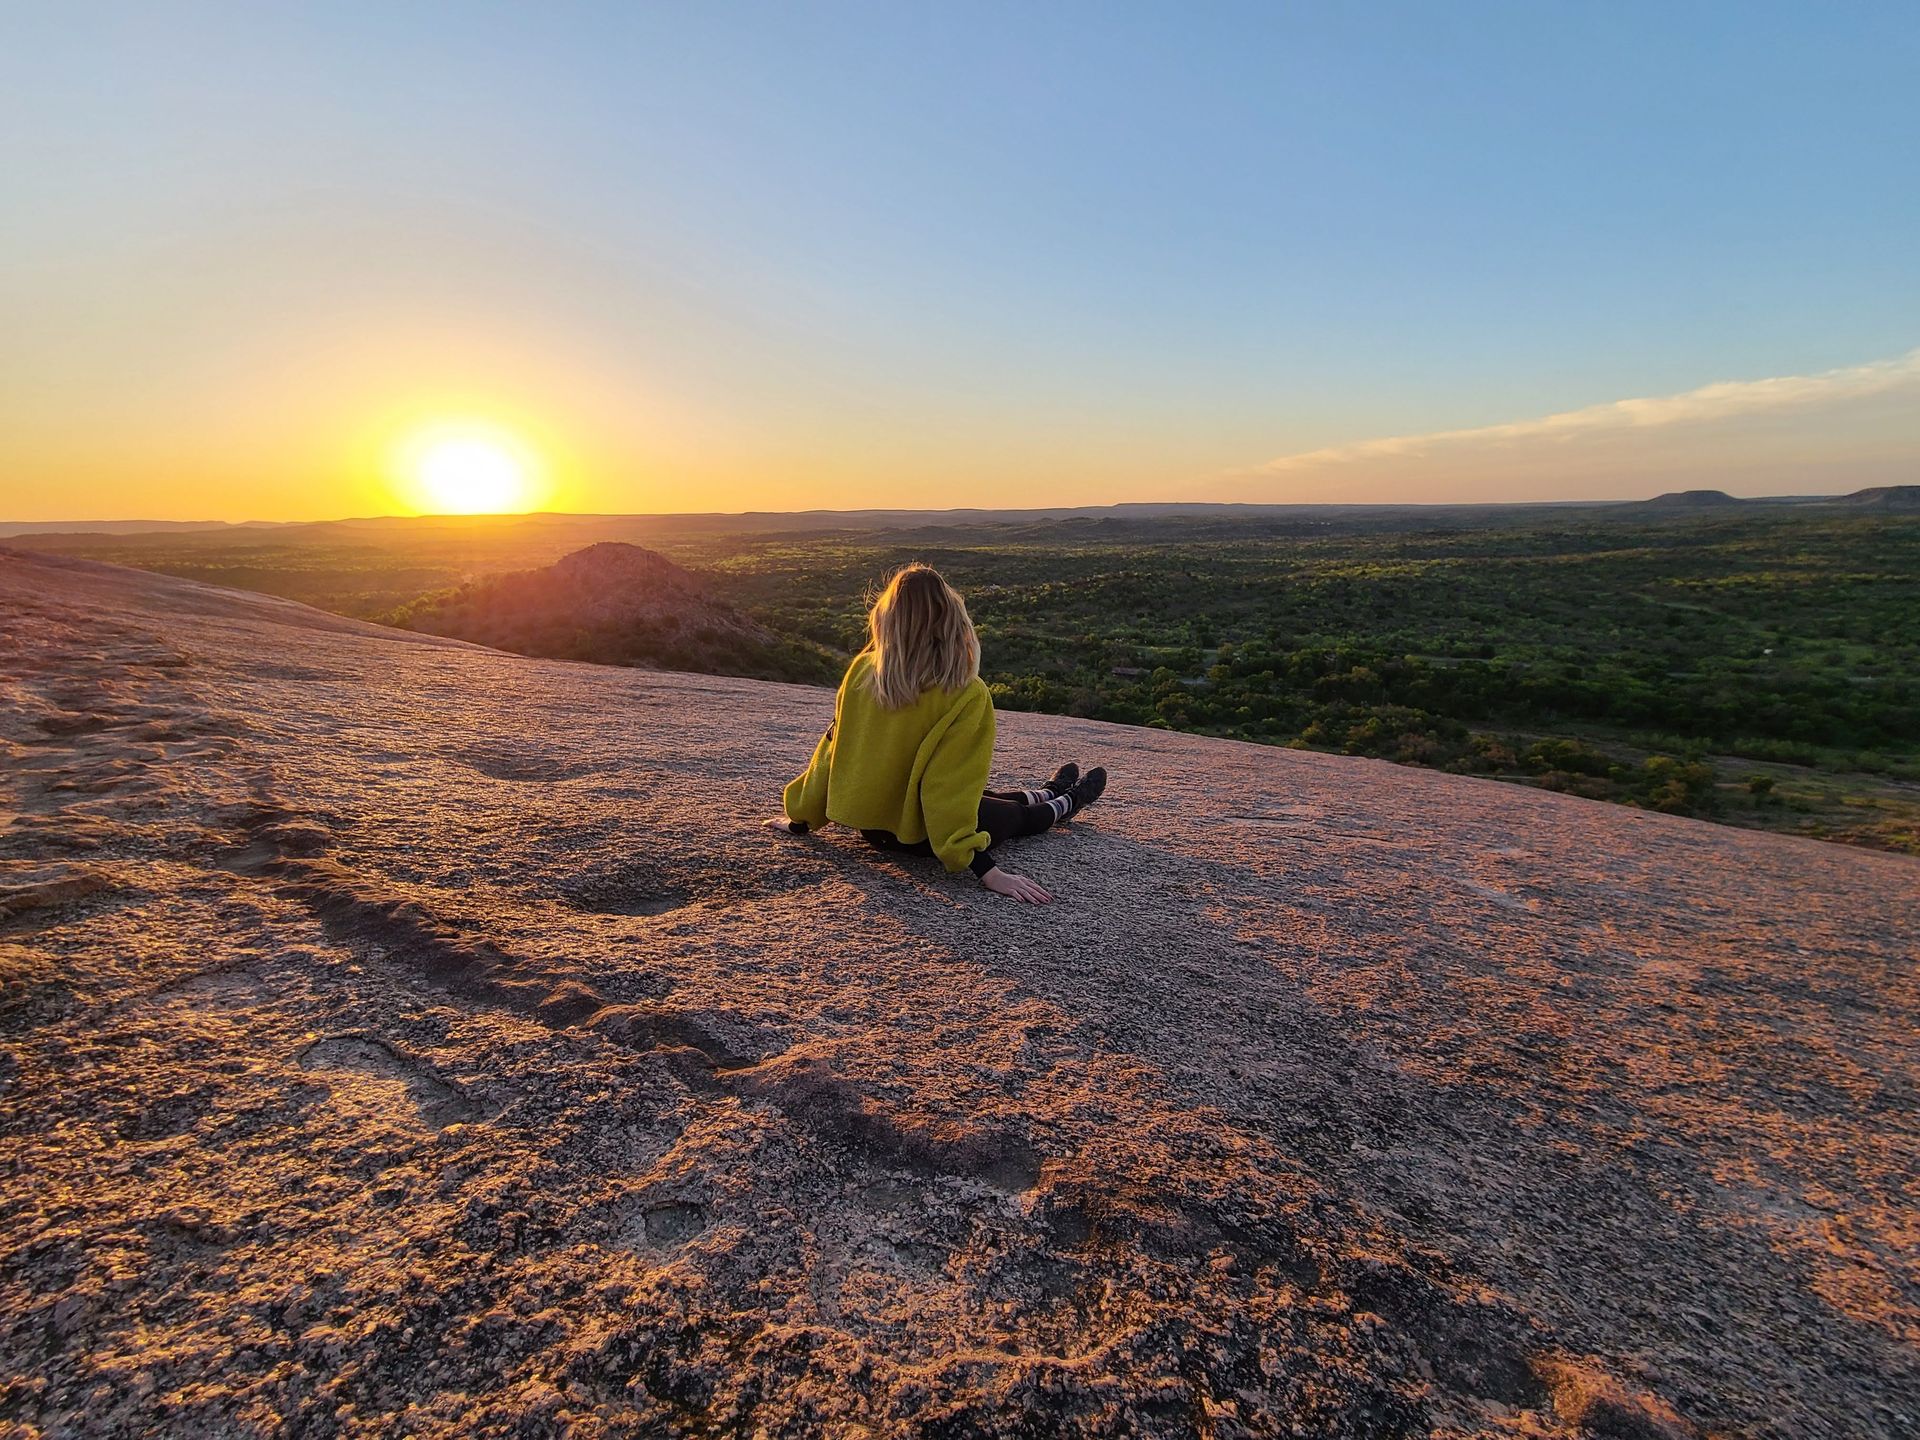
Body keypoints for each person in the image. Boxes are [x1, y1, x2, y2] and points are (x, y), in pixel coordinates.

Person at [765, 564, 1106, 903]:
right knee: (1015, 817)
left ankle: (1046, 791)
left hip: (875, 830)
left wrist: (802, 818)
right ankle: (1067, 802)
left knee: (985, 799)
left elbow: (832, 752)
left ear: (887, 618)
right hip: (920, 837)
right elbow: (947, 784)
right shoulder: (964, 692)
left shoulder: (862, 673)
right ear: (952, 620)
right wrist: (985, 868)